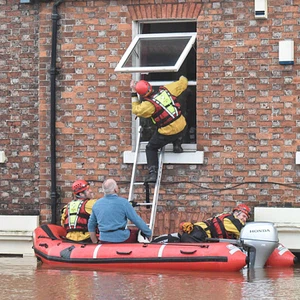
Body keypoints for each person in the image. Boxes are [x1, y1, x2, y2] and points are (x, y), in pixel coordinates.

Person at [131, 76, 188, 183]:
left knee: (150, 148)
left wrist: (134, 93)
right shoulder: (167, 90)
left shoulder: (148, 105)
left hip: (167, 133)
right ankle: (177, 144)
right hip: (182, 126)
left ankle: (153, 173)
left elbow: (136, 110)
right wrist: (182, 76)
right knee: (181, 124)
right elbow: (183, 83)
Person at [88, 178, 152, 243]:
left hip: (104, 239)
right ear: (115, 189)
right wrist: (148, 233)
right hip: (122, 238)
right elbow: (136, 220)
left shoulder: (96, 204)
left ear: (104, 191)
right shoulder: (123, 203)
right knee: (137, 233)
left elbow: (91, 225)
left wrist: (95, 242)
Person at [180, 204, 251, 243]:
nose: (244, 219)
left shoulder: (227, 218)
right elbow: (245, 235)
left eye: (246, 218)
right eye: (243, 216)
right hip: (197, 234)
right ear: (237, 213)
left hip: (196, 232)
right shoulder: (232, 221)